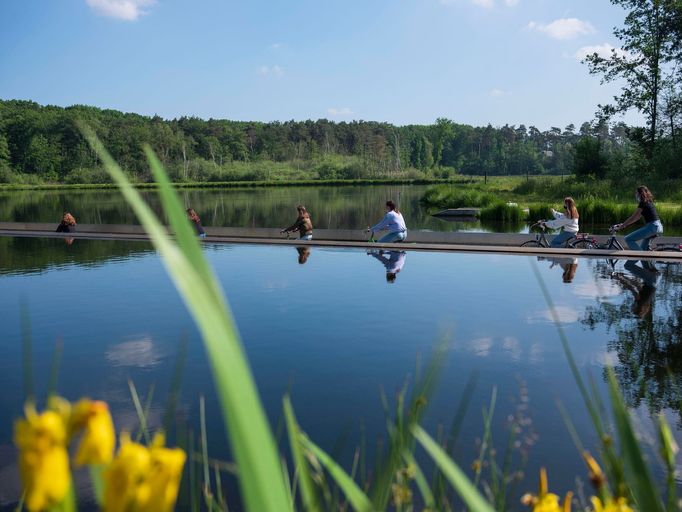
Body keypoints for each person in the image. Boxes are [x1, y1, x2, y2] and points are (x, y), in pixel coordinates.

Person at [614, 185, 663, 251]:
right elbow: (637, 218)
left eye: (636, 193)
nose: (635, 195)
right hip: (658, 227)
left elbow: (633, 216)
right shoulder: (649, 202)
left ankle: (640, 256)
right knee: (643, 249)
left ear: (640, 194)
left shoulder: (643, 203)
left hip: (652, 227)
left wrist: (622, 226)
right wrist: (624, 224)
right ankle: (643, 258)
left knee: (628, 239)